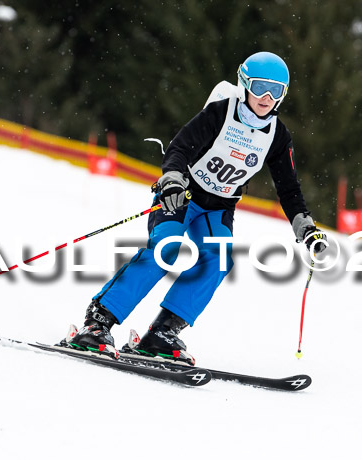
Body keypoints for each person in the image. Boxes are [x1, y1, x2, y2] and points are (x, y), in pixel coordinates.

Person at [68, 51, 327, 364]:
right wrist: (172, 181)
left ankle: (162, 332)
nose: (266, 97)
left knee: (218, 261)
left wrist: (306, 228)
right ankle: (98, 323)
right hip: (182, 196)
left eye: (276, 91)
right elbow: (180, 147)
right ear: (244, 85)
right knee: (165, 248)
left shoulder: (277, 136)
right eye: (259, 87)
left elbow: (289, 189)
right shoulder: (220, 113)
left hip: (218, 208)